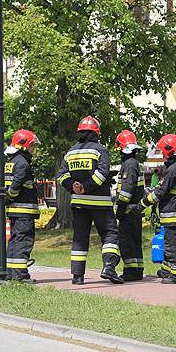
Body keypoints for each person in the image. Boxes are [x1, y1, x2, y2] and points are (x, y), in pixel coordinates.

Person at [57, 116, 123, 285]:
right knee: (110, 233)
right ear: (96, 133)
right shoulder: (101, 150)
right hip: (99, 202)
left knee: (80, 237)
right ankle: (109, 267)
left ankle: (77, 276)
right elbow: (102, 173)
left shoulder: (71, 152)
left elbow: (61, 176)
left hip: (78, 202)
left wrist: (74, 186)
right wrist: (86, 186)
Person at [133, 134, 176, 284]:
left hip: (173, 213)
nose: (163, 154)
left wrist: (142, 204)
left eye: (163, 151)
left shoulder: (173, 170)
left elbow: (160, 193)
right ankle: (167, 270)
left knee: (173, 245)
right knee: (168, 243)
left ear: (169, 150)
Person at [5, 129, 41, 282]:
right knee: (23, 241)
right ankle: (20, 275)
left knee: (14, 240)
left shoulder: (11, 162)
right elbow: (16, 185)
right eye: (32, 146)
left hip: (14, 211)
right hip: (23, 211)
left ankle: (10, 273)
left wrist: (8, 200)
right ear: (23, 145)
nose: (33, 149)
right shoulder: (23, 164)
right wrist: (9, 197)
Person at [114, 130, 145, 281]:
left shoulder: (129, 164)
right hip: (135, 211)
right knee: (135, 241)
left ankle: (131, 272)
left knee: (126, 241)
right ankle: (137, 270)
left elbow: (127, 190)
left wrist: (119, 208)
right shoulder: (134, 163)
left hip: (128, 211)